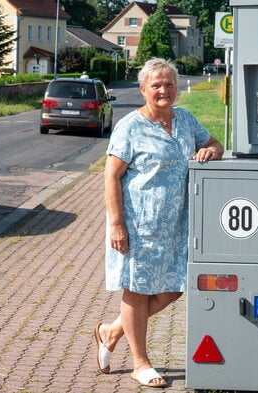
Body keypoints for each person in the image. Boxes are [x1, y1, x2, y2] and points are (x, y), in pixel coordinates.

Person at [94, 58, 224, 388]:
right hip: (138, 226)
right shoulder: (130, 127)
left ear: (176, 89)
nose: (163, 90)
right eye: (156, 86)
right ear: (143, 90)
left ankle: (112, 331)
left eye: (168, 84)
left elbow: (215, 143)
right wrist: (116, 224)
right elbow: (111, 176)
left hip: (177, 226)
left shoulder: (185, 121)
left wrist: (211, 150)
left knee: (175, 287)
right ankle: (141, 363)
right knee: (137, 290)